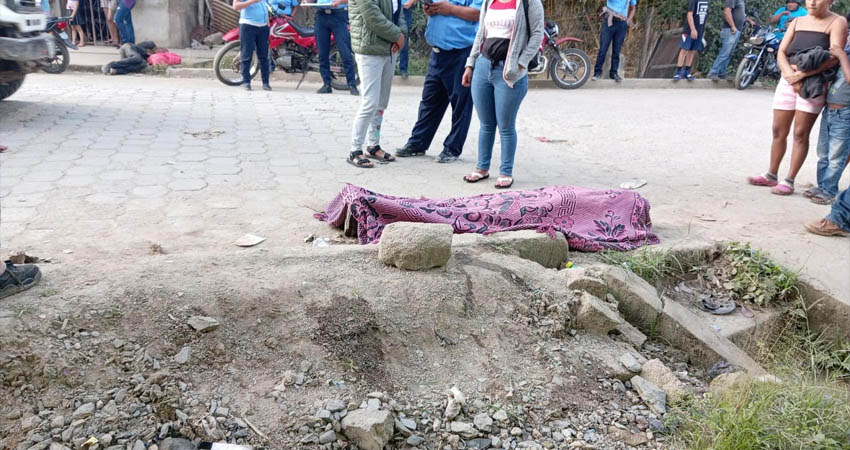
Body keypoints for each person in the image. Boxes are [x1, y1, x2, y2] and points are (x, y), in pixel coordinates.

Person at [748, 1, 847, 196]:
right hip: (788, 80)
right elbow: (782, 51)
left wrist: (801, 76)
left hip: (814, 83)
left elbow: (834, 56)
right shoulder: (797, 21)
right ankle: (771, 174)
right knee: (778, 130)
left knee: (800, 133)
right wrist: (789, 75)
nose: (812, 2)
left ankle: (789, 179)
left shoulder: (837, 21)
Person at [461, 0, 543, 189]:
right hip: (484, 66)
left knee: (505, 125)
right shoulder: (489, 1)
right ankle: (482, 168)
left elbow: (537, 34)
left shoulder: (529, 2)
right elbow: (481, 32)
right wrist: (470, 63)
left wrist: (521, 64)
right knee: (486, 123)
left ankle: (506, 171)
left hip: (509, 71)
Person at [395, 0, 484, 164]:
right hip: (437, 52)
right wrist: (429, 9)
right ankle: (418, 143)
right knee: (429, 101)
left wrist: (450, 9)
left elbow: (478, 13)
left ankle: (452, 148)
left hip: (461, 53)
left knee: (460, 104)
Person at [346, 0, 406, 168]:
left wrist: (402, 35)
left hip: (389, 50)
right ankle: (355, 150)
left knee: (381, 102)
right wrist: (398, 36)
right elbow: (373, 17)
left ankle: (373, 146)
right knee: (370, 102)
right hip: (369, 50)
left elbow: (398, 14)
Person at [807, 26, 850, 205]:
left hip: (846, 112)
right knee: (823, 152)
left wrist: (841, 57)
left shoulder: (844, 56)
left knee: (836, 156)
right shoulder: (845, 52)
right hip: (830, 110)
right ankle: (822, 185)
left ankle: (829, 190)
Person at [309, 0, 359, 95]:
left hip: (338, 15)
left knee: (345, 52)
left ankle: (352, 84)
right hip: (321, 15)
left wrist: (340, 2)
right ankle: (326, 84)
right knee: (322, 53)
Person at [591, 0, 637, 83]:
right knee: (603, 49)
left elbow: (633, 8)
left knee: (617, 49)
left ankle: (614, 73)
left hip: (622, 23)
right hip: (610, 20)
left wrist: (629, 20)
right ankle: (597, 72)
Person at [232, 0, 272, 91]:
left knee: (264, 56)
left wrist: (267, 23)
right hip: (248, 25)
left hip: (263, 27)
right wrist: (252, 1)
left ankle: (266, 83)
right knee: (246, 55)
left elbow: (265, 6)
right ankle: (246, 82)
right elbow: (235, 6)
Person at [707, 0, 746, 81]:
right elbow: (727, 12)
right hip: (730, 30)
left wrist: (748, 20)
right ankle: (713, 72)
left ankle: (722, 72)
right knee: (725, 53)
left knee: (729, 53)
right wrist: (732, 26)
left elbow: (739, 13)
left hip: (736, 30)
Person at [674, 0, 708, 81]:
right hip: (689, 31)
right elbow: (689, 14)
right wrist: (693, 29)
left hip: (700, 31)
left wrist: (702, 31)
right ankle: (678, 73)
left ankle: (687, 72)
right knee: (684, 50)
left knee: (692, 51)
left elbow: (705, 17)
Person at [399, 0, 416, 78]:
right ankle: (385, 68)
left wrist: (411, 1)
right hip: (390, 7)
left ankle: (403, 69)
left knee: (404, 39)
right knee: (386, 36)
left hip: (405, 8)